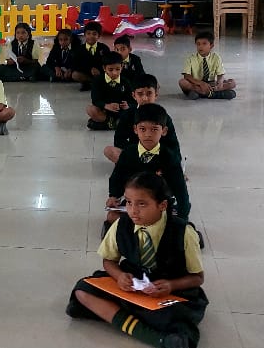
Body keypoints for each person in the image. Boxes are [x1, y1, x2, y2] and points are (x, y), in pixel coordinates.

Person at [67, 173, 208, 348]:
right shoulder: (121, 224)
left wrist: (171, 285)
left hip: (171, 291)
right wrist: (119, 276)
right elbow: (109, 261)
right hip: (133, 285)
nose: (133, 210)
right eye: (128, 202)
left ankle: (133, 323)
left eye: (142, 204)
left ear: (162, 205)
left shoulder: (184, 232)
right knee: (83, 290)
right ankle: (153, 335)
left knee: (177, 318)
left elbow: (197, 278)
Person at [107, 104, 190, 228]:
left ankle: (140, 228)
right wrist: (113, 195)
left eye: (154, 129)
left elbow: (180, 189)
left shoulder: (169, 156)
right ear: (135, 129)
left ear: (164, 131)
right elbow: (117, 176)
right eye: (142, 129)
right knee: (112, 217)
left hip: (158, 204)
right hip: (134, 202)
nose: (148, 134)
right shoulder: (128, 153)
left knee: (169, 221)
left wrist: (183, 217)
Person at [104, 75, 180, 163]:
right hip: (136, 155)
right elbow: (119, 140)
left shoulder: (164, 117)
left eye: (149, 93)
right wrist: (136, 152)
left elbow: (173, 146)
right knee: (109, 151)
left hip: (157, 156)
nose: (145, 98)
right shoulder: (128, 114)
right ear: (134, 95)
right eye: (140, 94)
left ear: (156, 94)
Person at [179, 31, 237, 100]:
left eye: (204, 44)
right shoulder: (190, 58)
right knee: (182, 82)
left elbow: (220, 75)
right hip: (196, 83)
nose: (201, 46)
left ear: (211, 46)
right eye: (198, 44)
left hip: (211, 84)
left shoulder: (216, 57)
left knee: (232, 83)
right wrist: (201, 83)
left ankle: (200, 93)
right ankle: (214, 94)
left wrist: (220, 83)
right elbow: (187, 76)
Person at [87, 52, 136, 131]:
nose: (114, 73)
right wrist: (106, 105)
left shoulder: (126, 81)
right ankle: (114, 123)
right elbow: (95, 100)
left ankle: (107, 124)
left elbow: (133, 101)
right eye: (110, 69)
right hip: (105, 111)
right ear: (104, 68)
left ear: (122, 66)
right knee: (90, 109)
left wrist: (128, 105)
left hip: (121, 111)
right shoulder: (97, 81)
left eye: (117, 69)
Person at [78, 21, 111, 91]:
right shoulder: (79, 49)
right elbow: (77, 64)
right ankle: (90, 83)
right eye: (88, 33)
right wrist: (90, 69)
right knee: (75, 75)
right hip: (86, 73)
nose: (91, 36)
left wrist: (99, 70)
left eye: (94, 34)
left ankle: (99, 82)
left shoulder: (104, 48)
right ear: (84, 35)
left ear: (99, 36)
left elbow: (108, 62)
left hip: (100, 73)